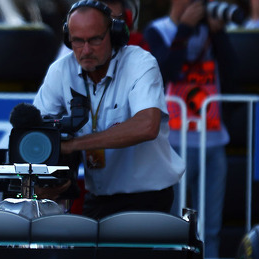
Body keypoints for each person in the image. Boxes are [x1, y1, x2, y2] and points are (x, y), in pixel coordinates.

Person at [34, 0, 185, 221]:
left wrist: (74, 145)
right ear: (68, 39)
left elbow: (147, 125)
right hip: (99, 196)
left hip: (148, 197)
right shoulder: (60, 70)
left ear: (114, 35)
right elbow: (35, 128)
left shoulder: (140, 62)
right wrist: (48, 180)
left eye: (95, 39)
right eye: (77, 41)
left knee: (129, 257)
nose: (86, 50)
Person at [144, 0, 238, 259]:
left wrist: (218, 33)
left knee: (210, 228)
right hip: (175, 140)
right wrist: (184, 28)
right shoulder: (158, 30)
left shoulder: (210, 31)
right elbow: (166, 70)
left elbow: (234, 71)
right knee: (174, 225)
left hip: (213, 140)